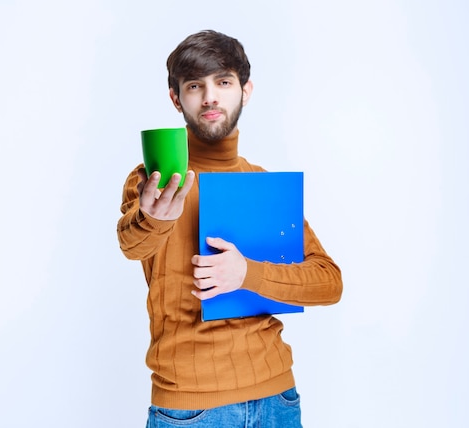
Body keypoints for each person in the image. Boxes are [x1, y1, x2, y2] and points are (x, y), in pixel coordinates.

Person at [117, 29, 342, 428]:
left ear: (245, 90)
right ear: (176, 98)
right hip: (188, 409)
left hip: (278, 399)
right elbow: (132, 245)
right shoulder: (154, 181)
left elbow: (328, 282)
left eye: (223, 82)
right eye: (194, 85)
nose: (210, 97)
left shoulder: (263, 184)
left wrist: (246, 274)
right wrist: (156, 218)